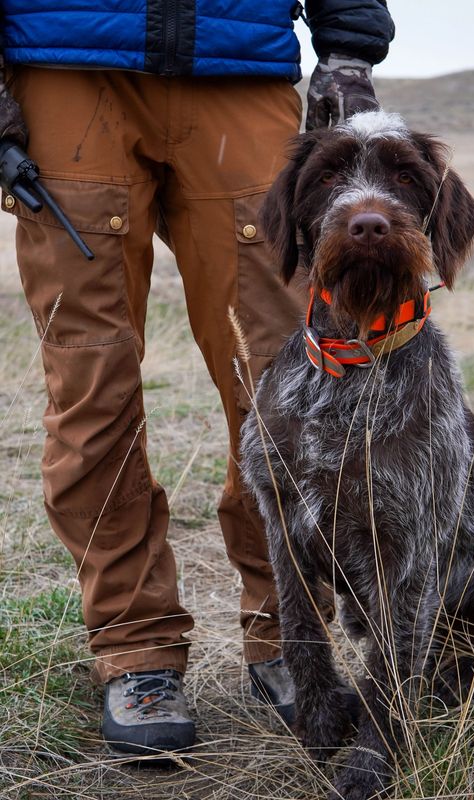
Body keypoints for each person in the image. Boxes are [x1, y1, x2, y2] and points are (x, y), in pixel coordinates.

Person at [0, 1, 395, 753]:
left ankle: (290, 637)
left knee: (287, 385)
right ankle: (135, 649)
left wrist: (347, 48)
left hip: (237, 60)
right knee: (92, 389)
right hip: (63, 63)